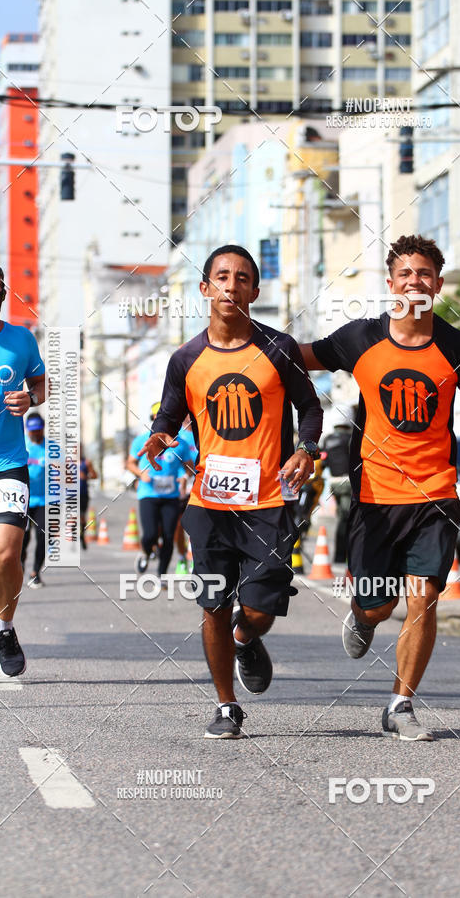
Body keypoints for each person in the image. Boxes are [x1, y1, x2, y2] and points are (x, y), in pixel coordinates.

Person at [301, 234, 460, 741]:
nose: (415, 281)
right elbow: (297, 358)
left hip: (435, 494)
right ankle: (362, 616)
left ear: (437, 284)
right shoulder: (360, 338)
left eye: (425, 274)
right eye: (405, 274)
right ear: (390, 282)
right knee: (378, 605)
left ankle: (401, 704)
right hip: (373, 495)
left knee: (424, 596)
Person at [142, 244, 323, 739]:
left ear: (254, 291)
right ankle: (226, 705)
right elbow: (169, 414)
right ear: (205, 288)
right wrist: (161, 435)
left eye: (242, 278)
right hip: (209, 503)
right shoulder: (185, 358)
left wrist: (306, 448)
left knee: (259, 609)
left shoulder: (279, 348)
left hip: (267, 503)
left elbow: (310, 407)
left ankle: (247, 637)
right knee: (214, 605)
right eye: (222, 276)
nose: (231, 285)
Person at [0, 259, 46, 682]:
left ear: (3, 296)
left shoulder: (20, 339)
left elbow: (39, 382)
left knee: (3, 553)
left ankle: (4, 626)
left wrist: (30, 399)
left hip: (6, 464)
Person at [126, 404, 194, 581]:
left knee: (169, 536)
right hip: (148, 494)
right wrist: (141, 473)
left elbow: (189, 467)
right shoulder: (141, 440)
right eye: (158, 418)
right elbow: (130, 463)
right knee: (149, 534)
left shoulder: (180, 443)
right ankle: (146, 551)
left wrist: (184, 477)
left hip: (171, 496)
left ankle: (161, 575)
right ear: (152, 420)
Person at [321, 409, 353, 564]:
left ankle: (340, 555)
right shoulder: (350, 438)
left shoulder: (328, 439)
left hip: (333, 483)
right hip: (348, 483)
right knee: (346, 518)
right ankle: (344, 555)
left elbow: (323, 460)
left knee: (342, 517)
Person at [21, 413, 46, 588]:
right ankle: (19, 564)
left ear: (42, 428)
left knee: (42, 536)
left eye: (37, 430)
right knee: (23, 538)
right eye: (32, 431)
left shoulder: (52, 448)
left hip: (45, 500)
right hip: (23, 499)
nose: (34, 434)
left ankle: (35, 572)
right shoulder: (21, 445)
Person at [173, 415, 197, 573]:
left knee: (198, 524)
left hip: (202, 482)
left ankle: (197, 557)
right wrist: (183, 476)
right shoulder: (178, 436)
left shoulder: (203, 430)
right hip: (181, 483)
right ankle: (182, 557)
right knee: (178, 525)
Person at [79, 447, 98, 550]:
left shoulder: (86, 463)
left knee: (82, 517)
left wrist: (85, 477)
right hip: (69, 495)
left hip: (83, 494)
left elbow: (95, 475)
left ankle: (81, 535)